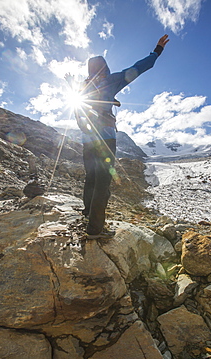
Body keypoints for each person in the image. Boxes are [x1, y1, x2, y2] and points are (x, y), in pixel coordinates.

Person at [65, 35, 169, 239]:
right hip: (105, 138)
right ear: (105, 68)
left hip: (87, 140)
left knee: (91, 179)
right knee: (103, 182)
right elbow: (138, 68)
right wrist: (157, 50)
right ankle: (96, 229)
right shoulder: (110, 81)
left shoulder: (84, 86)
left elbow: (80, 101)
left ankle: (88, 215)